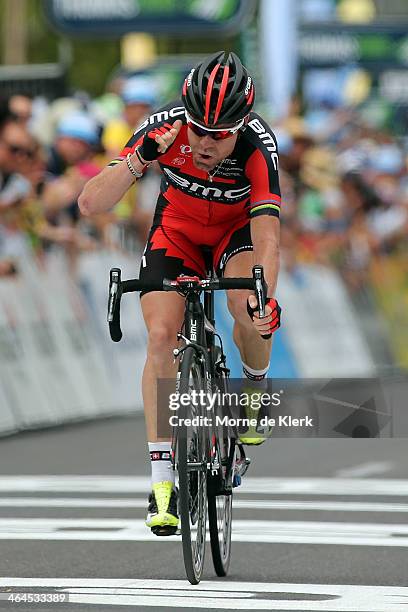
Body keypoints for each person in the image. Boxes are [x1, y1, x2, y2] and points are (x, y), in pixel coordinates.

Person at [79, 51, 282, 535]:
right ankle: (161, 479)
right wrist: (139, 159)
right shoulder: (161, 130)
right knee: (160, 337)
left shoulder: (258, 145)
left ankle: (255, 388)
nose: (208, 143)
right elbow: (90, 204)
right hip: (178, 233)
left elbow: (269, 236)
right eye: (199, 130)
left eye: (220, 134)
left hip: (238, 235)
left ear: (241, 125)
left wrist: (264, 299)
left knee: (244, 303)